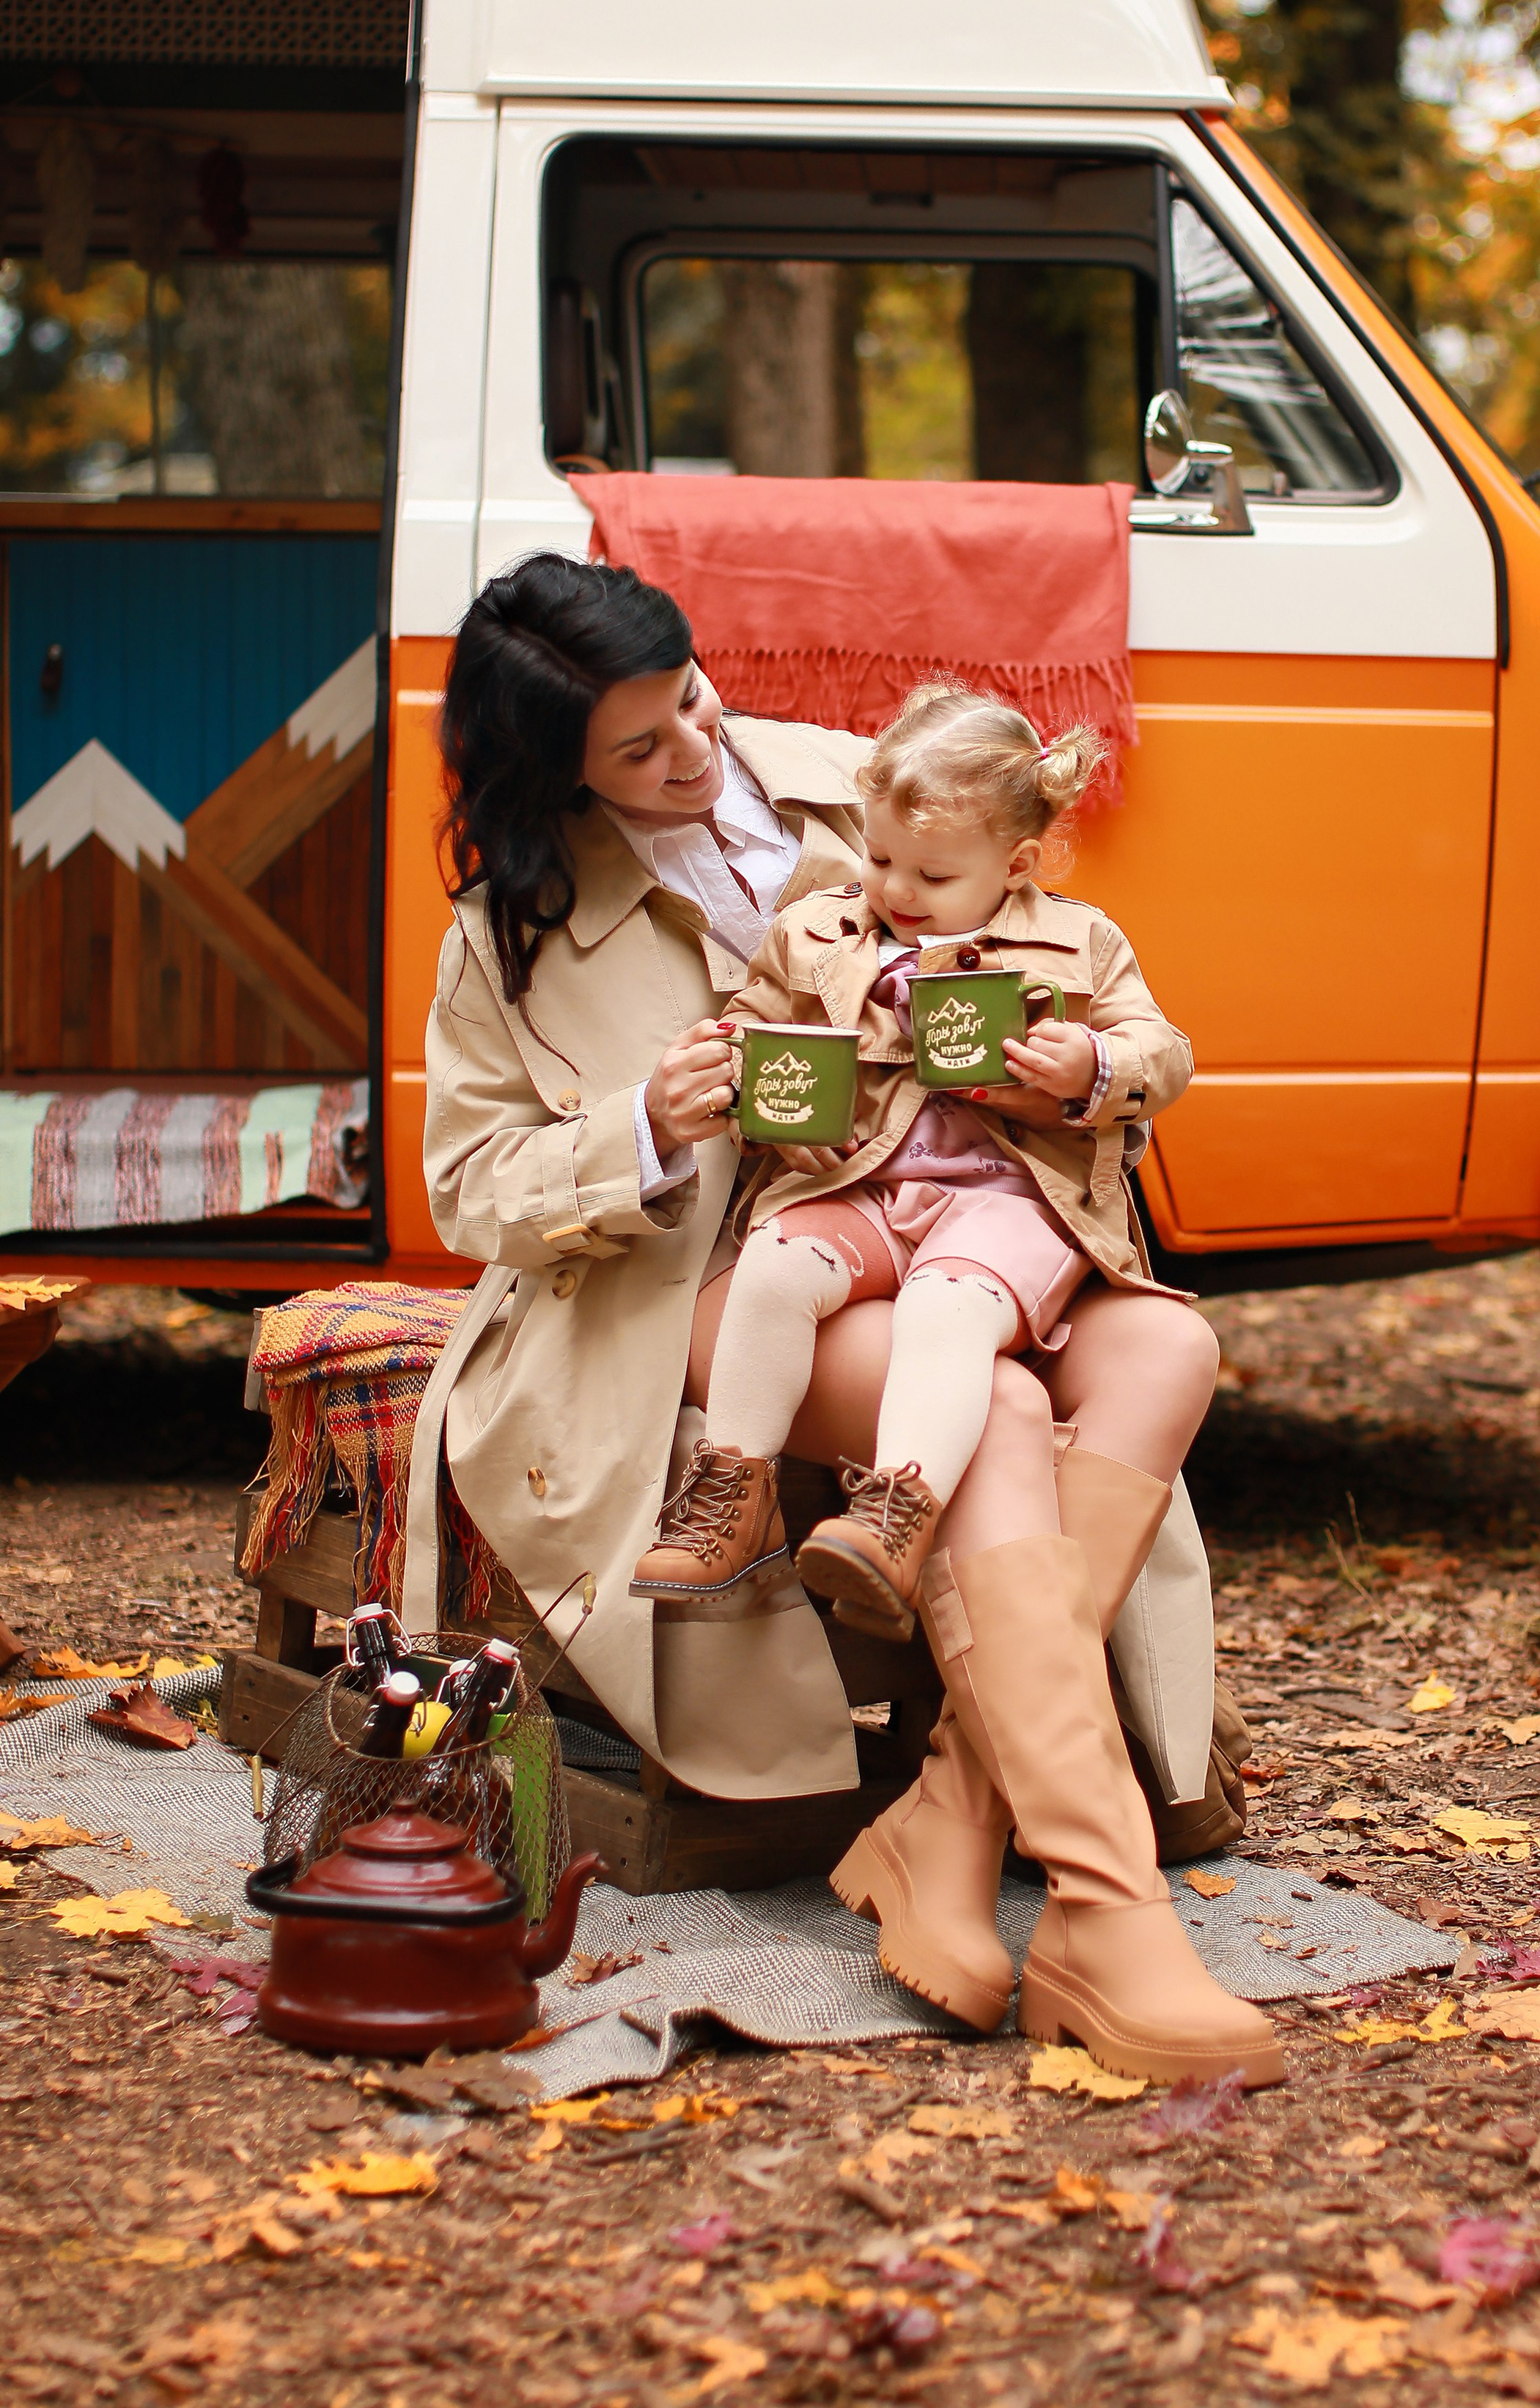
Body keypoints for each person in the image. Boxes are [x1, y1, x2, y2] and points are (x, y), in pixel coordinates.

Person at [407, 552, 1272, 2083]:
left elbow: (1110, 993)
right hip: (726, 1288)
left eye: (688, 699)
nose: (692, 751)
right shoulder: (511, 932)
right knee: (995, 1404)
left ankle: (955, 1806)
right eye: (636, 749)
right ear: (555, 773)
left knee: (1170, 1343)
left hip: (984, 1232)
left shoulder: (862, 781)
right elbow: (469, 1186)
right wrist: (642, 1126)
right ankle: (1101, 1900)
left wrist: (1078, 1075)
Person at [633, 682, 1194, 1652]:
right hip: (864, 1184)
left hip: (1011, 1200)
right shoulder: (817, 931)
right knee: (771, 1262)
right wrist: (761, 1094)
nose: (895, 889)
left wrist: (1090, 1068)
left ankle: (898, 1511)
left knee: (946, 1307)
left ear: (1014, 866)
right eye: (880, 856)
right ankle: (735, 1488)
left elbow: (1165, 1051)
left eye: (931, 875)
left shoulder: (1078, 941)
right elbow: (754, 1028)